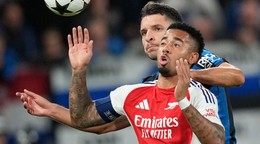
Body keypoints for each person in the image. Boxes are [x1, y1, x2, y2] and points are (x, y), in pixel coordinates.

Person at [16, 1, 244, 143]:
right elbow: (103, 126)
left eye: (157, 29)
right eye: (144, 32)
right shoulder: (149, 86)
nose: (150, 37)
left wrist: (186, 75)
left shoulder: (198, 57)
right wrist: (53, 109)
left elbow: (236, 77)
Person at [72, 22, 226, 143]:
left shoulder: (198, 94)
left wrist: (182, 101)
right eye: (164, 43)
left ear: (192, 57)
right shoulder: (131, 94)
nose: (165, 49)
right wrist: (79, 69)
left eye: (176, 45)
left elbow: (216, 141)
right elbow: (82, 118)